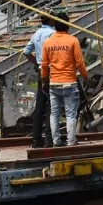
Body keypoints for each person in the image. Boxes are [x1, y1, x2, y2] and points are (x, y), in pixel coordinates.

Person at [41, 12, 89, 147]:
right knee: (70, 114)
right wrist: (85, 77)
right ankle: (71, 141)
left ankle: (56, 142)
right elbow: (79, 62)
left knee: (54, 114)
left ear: (55, 25)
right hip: (69, 83)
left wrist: (44, 82)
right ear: (67, 25)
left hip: (53, 83)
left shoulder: (48, 42)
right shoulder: (73, 41)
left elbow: (44, 65)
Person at [23, 13, 55, 148]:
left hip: (41, 71)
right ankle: (49, 139)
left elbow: (26, 52)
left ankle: (36, 139)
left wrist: (37, 63)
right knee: (52, 106)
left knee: (40, 105)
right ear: (51, 19)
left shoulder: (36, 34)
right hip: (52, 71)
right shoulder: (53, 34)